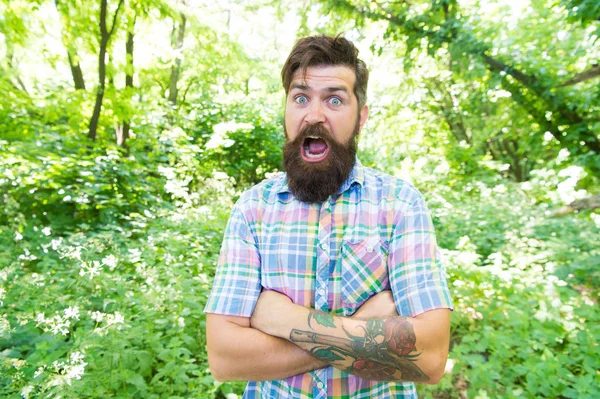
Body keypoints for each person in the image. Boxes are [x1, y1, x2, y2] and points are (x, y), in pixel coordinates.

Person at [204, 34, 453, 399]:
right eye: (301, 98)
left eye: (334, 99)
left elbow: (429, 357)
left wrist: (285, 321)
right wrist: (364, 328)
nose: (314, 115)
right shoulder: (252, 209)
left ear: (361, 117)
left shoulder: (401, 205)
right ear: (286, 109)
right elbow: (226, 359)